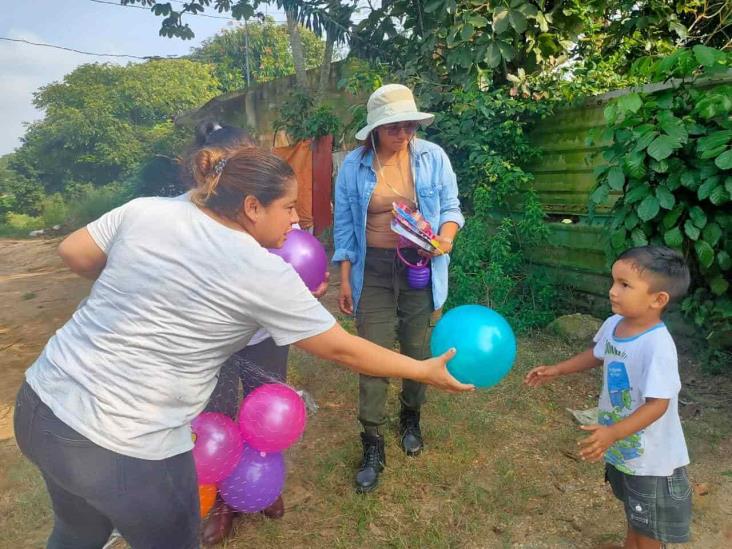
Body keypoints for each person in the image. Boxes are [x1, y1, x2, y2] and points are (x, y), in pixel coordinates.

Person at [14, 146, 473, 549]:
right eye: (289, 208)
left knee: (77, 536)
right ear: (253, 206)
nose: (296, 221)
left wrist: (140, 287)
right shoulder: (258, 269)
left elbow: (74, 251)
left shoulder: (149, 210)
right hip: (125, 443)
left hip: (41, 406)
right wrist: (423, 370)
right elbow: (343, 349)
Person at [180, 123, 328, 544]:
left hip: (265, 337)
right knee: (219, 415)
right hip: (217, 340)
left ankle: (265, 484)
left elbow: (302, 259)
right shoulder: (192, 220)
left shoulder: (273, 205)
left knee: (270, 410)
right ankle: (225, 502)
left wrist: (309, 290)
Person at [332, 84, 464, 493]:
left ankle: (411, 415)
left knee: (416, 347)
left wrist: (445, 239)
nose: (404, 133)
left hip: (418, 266)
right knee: (370, 354)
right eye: (394, 127)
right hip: (372, 269)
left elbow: (451, 208)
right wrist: (344, 278)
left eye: (409, 125)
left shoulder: (432, 158)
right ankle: (372, 441)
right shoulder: (353, 167)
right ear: (375, 129)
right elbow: (344, 228)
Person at [525, 245, 692, 549]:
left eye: (625, 285)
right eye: (614, 281)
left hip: (651, 460)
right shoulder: (615, 324)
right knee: (635, 515)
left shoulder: (658, 346)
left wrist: (612, 432)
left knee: (649, 531)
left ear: (658, 299)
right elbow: (598, 354)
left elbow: (658, 405)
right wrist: (558, 369)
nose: (613, 291)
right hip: (626, 450)